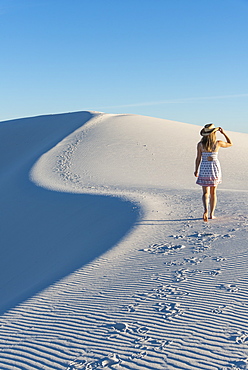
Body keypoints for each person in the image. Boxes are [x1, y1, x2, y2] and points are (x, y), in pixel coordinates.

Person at [194, 123, 233, 222]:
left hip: (204, 168)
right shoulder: (217, 143)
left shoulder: (200, 144)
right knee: (213, 192)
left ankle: (205, 210)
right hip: (214, 169)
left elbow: (198, 158)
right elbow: (230, 143)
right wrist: (223, 133)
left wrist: (196, 170)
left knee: (205, 193)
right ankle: (212, 214)